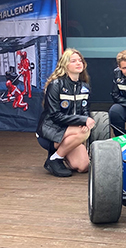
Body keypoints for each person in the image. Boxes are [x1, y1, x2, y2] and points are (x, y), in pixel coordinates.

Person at [36, 48, 95, 177]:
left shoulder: (84, 87)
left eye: (80, 60)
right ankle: (55, 159)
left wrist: (84, 120)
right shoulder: (56, 84)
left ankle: (56, 156)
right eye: (73, 61)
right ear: (65, 65)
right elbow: (55, 116)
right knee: (81, 132)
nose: (78, 63)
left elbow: (85, 110)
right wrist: (83, 121)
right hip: (50, 132)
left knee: (83, 166)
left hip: (70, 134)